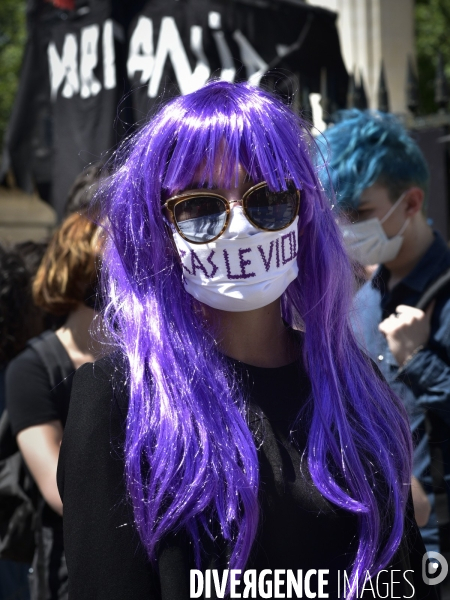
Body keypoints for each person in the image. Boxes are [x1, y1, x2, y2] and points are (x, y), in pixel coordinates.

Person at [57, 82, 435, 600]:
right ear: (160, 227)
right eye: (199, 206)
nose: (238, 225)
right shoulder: (120, 399)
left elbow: (403, 581)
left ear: (304, 212)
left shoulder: (356, 384)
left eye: (269, 198)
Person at [320, 109, 450, 557]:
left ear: (411, 203)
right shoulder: (358, 303)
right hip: (382, 546)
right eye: (337, 212)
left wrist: (419, 361)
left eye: (359, 212)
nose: (345, 227)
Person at [5, 211, 104, 600]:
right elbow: (61, 493)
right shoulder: (31, 369)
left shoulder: (146, 361)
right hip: (72, 574)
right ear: (80, 267)